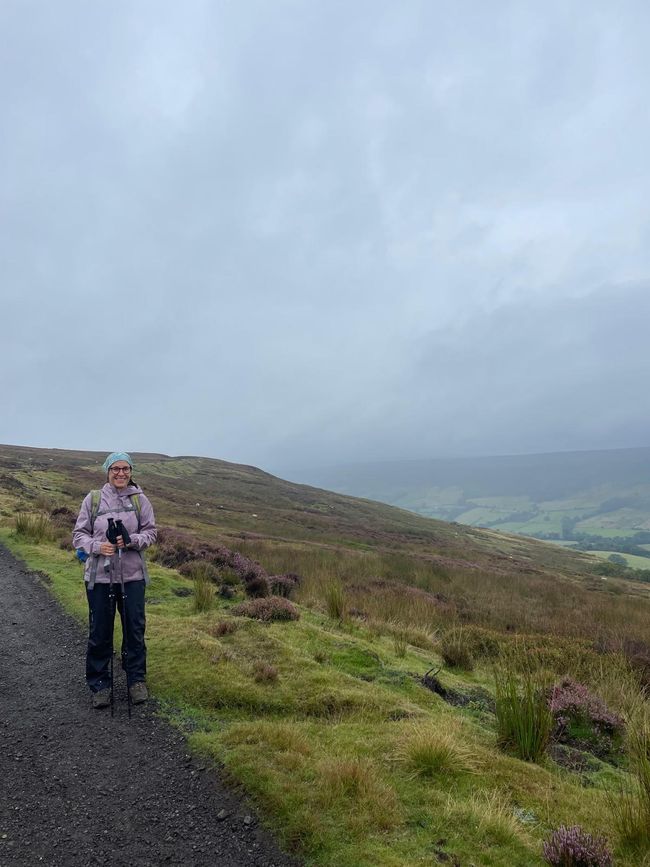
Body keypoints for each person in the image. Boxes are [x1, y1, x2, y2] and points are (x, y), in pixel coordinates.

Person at [73, 452, 157, 709]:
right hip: (99, 578)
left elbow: (151, 533)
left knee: (134, 630)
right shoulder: (93, 500)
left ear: (131, 471)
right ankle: (99, 685)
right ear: (107, 471)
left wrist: (131, 540)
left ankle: (136, 681)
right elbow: (78, 536)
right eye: (115, 469)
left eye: (125, 469)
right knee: (100, 631)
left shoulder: (141, 500)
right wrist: (98, 546)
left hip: (132, 577)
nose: (121, 473)